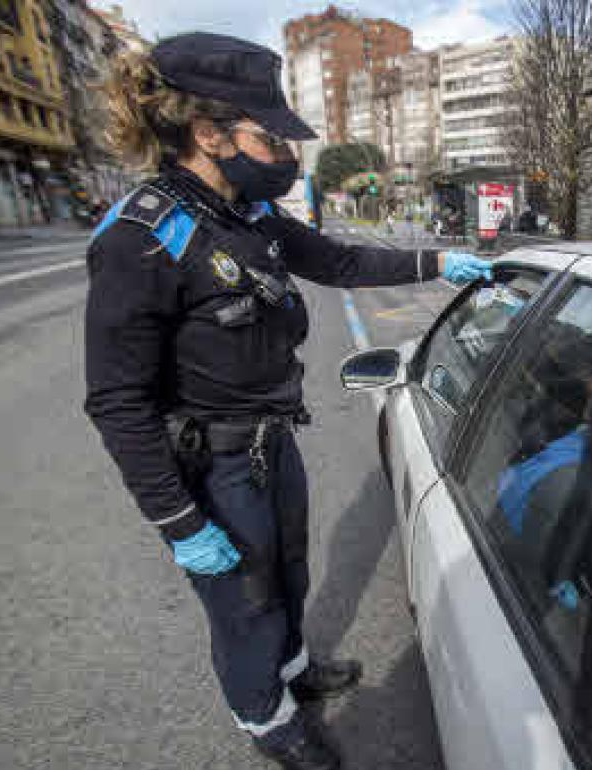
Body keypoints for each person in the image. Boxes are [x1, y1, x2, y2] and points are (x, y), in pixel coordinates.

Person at [83, 32, 492, 770]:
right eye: (268, 136)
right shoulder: (145, 237)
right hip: (213, 467)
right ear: (208, 134)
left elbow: (337, 259)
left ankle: (295, 673)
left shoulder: (246, 212)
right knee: (244, 606)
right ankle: (265, 720)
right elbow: (117, 399)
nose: (285, 152)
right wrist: (178, 521)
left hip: (272, 443)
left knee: (291, 574)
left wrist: (438, 261)